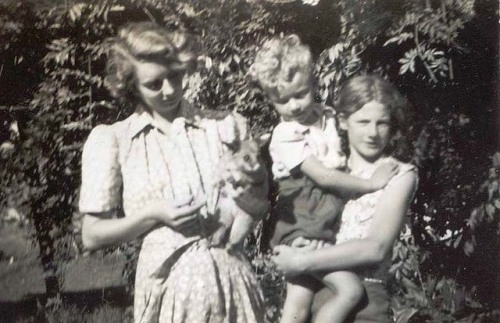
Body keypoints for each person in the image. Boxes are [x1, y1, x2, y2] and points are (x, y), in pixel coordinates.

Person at [79, 22, 269, 323]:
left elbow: (259, 206)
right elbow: (91, 235)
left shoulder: (224, 127)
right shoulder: (115, 140)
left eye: (176, 77)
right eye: (154, 83)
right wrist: (152, 214)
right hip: (167, 295)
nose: (169, 90)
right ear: (131, 85)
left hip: (233, 292)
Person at [250, 35, 400, 323]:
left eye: (300, 94)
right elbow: (322, 176)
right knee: (345, 292)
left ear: (314, 85)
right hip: (303, 225)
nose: (293, 106)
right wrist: (371, 184)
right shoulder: (285, 134)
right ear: (270, 99)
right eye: (282, 100)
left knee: (300, 301)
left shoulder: (328, 118)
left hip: (323, 224)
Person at [271, 74, 418, 322]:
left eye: (381, 123)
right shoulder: (329, 172)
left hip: (365, 306)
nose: (373, 133)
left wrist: (301, 260)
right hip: (314, 298)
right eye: (363, 122)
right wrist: (296, 247)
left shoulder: (398, 173)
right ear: (343, 121)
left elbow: (376, 248)